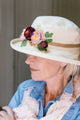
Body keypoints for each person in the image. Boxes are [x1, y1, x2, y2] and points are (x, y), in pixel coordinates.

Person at [0, 16, 80, 120]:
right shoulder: (25, 89)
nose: (27, 61)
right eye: (29, 54)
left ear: (63, 61)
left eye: (37, 56)